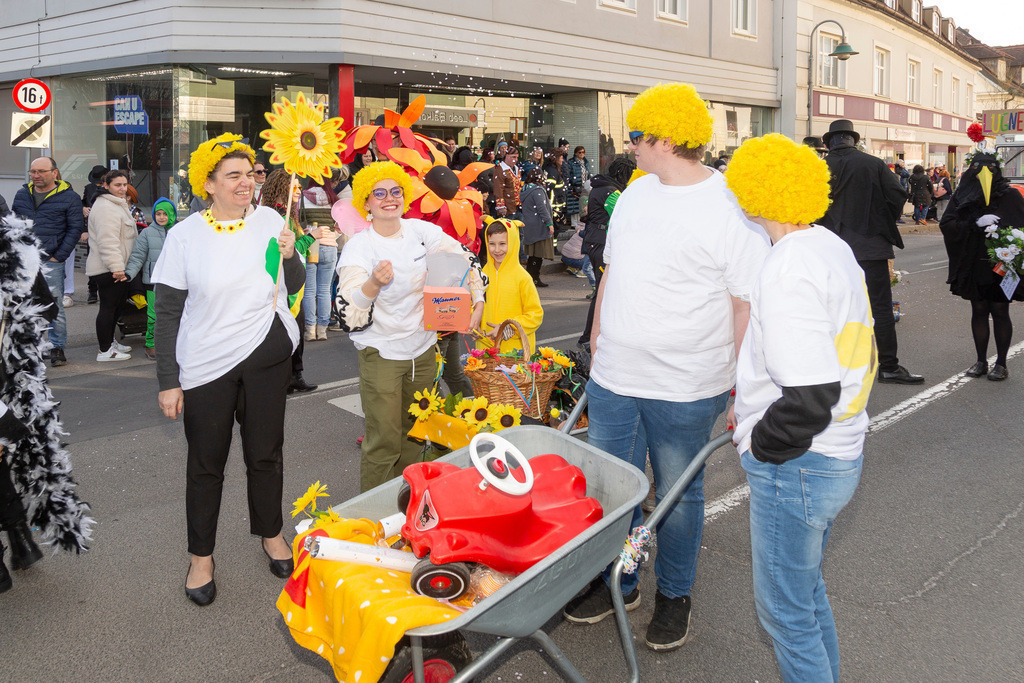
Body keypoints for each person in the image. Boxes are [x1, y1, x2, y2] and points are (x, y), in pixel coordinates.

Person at [563, 83, 771, 651]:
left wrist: (740, 386)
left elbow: (743, 302)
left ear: (664, 137)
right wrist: (599, 334)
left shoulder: (731, 208)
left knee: (677, 498)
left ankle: (675, 595)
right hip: (614, 377)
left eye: (635, 136)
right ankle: (622, 579)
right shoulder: (635, 194)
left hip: (685, 385)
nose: (629, 145)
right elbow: (611, 271)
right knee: (614, 491)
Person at [724, 133, 877, 682]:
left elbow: (810, 395)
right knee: (806, 596)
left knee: (786, 614)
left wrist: (762, 444)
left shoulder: (787, 266)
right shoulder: (825, 245)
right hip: (836, 452)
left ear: (757, 192)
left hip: (802, 463)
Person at [152, 133, 305, 606]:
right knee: (205, 465)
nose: (246, 183)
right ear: (209, 184)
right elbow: (168, 313)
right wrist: (168, 381)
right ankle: (202, 557)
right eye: (233, 175)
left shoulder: (270, 221)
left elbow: (293, 284)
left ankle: (272, 534)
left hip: (265, 359)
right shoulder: (183, 236)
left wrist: (292, 250)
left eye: (250, 174)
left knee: (265, 454)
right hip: (205, 367)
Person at [335, 161, 485, 492]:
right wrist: (373, 283)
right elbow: (347, 309)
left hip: (423, 351)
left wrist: (478, 298)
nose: (389, 198)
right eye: (379, 193)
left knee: (416, 432)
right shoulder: (361, 246)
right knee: (383, 441)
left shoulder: (420, 232)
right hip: (382, 354)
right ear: (366, 202)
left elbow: (465, 258)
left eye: (396, 191)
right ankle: (373, 515)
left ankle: (408, 505)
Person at [0, 211, 93, 592]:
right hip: (17, 380)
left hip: (11, 380)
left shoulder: (16, 252)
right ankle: (21, 539)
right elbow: (47, 308)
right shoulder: (18, 250)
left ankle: (18, 542)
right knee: (16, 459)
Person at [818, 119, 924, 385]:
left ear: (829, 141)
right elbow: (898, 195)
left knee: (830, 308)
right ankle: (888, 366)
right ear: (852, 139)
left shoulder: (819, 167)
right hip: (870, 246)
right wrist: (880, 219)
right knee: (880, 309)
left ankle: (833, 369)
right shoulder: (873, 163)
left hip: (828, 248)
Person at [939, 151, 1024, 381]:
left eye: (990, 168)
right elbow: (948, 224)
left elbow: (1021, 226)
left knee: (999, 310)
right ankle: (980, 361)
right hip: (973, 264)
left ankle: (1002, 363)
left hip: (1001, 266)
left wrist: (1005, 234)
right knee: (978, 310)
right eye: (979, 168)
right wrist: (975, 223)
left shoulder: (1010, 196)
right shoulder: (962, 195)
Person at [10, 156, 84, 368]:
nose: (36, 176)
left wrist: (59, 256)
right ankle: (31, 348)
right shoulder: (23, 194)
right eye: (33, 172)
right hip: (24, 260)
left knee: (53, 306)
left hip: (51, 259)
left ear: (54, 173)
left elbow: (75, 229)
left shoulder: (70, 197)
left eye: (41, 171)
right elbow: (16, 224)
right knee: (25, 306)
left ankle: (57, 347)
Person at [259, 169, 320, 392]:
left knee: (297, 330)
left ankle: (295, 375)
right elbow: (287, 250)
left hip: (295, 284)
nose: (299, 190)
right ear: (281, 189)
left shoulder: (287, 214)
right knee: (285, 333)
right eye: (294, 186)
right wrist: (312, 238)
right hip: (282, 286)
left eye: (299, 186)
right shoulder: (274, 216)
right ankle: (284, 378)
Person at [577, 156, 636, 348]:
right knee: (602, 292)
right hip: (601, 243)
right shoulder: (611, 192)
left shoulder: (601, 186)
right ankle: (588, 337)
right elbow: (622, 217)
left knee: (604, 290)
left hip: (596, 241)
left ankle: (593, 335)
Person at [86, 170, 138, 362]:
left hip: (118, 267)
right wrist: (117, 268)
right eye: (117, 185)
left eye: (125, 184)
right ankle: (105, 350)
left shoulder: (116, 204)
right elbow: (107, 241)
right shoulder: (106, 208)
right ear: (105, 185)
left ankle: (110, 343)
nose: (123, 188)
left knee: (115, 308)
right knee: (108, 308)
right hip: (109, 269)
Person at [476, 217, 543, 353]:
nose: (497, 250)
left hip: (515, 352)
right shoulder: (482, 273)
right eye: (492, 244)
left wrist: (508, 328)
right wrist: (473, 324)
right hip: (486, 349)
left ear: (513, 243)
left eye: (502, 244)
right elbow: (474, 304)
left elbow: (535, 314)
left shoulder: (522, 278)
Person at [125, 197, 177, 361]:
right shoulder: (147, 233)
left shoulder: (179, 232)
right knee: (154, 316)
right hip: (153, 282)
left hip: (175, 282)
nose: (161, 217)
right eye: (158, 214)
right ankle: (151, 344)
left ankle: (171, 343)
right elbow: (137, 257)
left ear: (172, 214)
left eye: (165, 214)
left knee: (175, 315)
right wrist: (129, 274)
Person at [519, 167, 555, 288]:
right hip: (539, 226)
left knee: (533, 254)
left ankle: (530, 278)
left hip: (530, 225)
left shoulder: (525, 189)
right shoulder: (537, 191)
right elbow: (542, 208)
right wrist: (549, 223)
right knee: (538, 254)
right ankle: (534, 279)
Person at [492, 145, 522, 218]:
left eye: (517, 157)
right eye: (513, 157)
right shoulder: (500, 170)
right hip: (508, 209)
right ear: (507, 156)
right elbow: (498, 189)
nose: (516, 160)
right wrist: (501, 206)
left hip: (518, 207)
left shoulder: (516, 169)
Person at [566, 146, 591, 228]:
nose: (581, 154)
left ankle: (581, 222)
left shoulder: (585, 162)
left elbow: (588, 174)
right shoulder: (571, 162)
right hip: (575, 186)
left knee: (583, 204)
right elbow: (568, 175)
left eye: (583, 152)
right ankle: (574, 223)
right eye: (579, 152)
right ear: (576, 153)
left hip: (584, 186)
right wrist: (573, 184)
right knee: (574, 205)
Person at [543, 150, 567, 225]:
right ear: (556, 158)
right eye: (561, 158)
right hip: (554, 206)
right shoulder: (552, 171)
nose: (562, 160)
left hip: (554, 205)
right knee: (555, 227)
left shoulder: (550, 169)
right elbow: (549, 188)